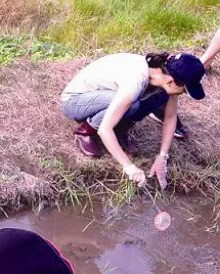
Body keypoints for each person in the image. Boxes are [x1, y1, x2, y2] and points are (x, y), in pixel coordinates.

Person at [60, 52, 205, 186]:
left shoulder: (163, 77)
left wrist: (162, 157)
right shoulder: (136, 80)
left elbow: (170, 116)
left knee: (155, 97)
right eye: (184, 90)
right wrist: (129, 167)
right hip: (76, 101)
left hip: (105, 97)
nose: (183, 94)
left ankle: (120, 130)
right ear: (172, 82)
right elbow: (105, 129)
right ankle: (85, 131)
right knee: (132, 103)